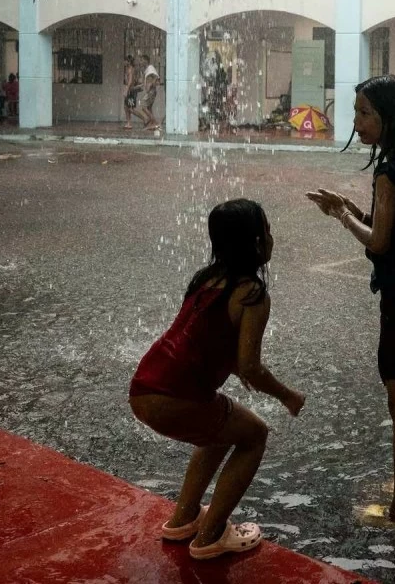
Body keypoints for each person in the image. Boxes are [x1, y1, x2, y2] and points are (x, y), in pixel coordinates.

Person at [307, 75, 395, 528]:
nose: (357, 121)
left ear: (389, 115)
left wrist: (342, 215)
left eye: (365, 113)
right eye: (356, 113)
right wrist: (355, 207)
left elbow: (381, 243)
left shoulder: (390, 170)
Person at [129, 200, 305, 560]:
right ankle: (210, 538)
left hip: (144, 387)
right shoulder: (252, 293)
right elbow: (250, 366)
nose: (272, 238)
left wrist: (238, 369)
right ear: (255, 242)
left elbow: (214, 341)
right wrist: (288, 396)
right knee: (255, 436)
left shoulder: (206, 279)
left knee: (224, 428)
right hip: (176, 397)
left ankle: (184, 518)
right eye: (268, 231)